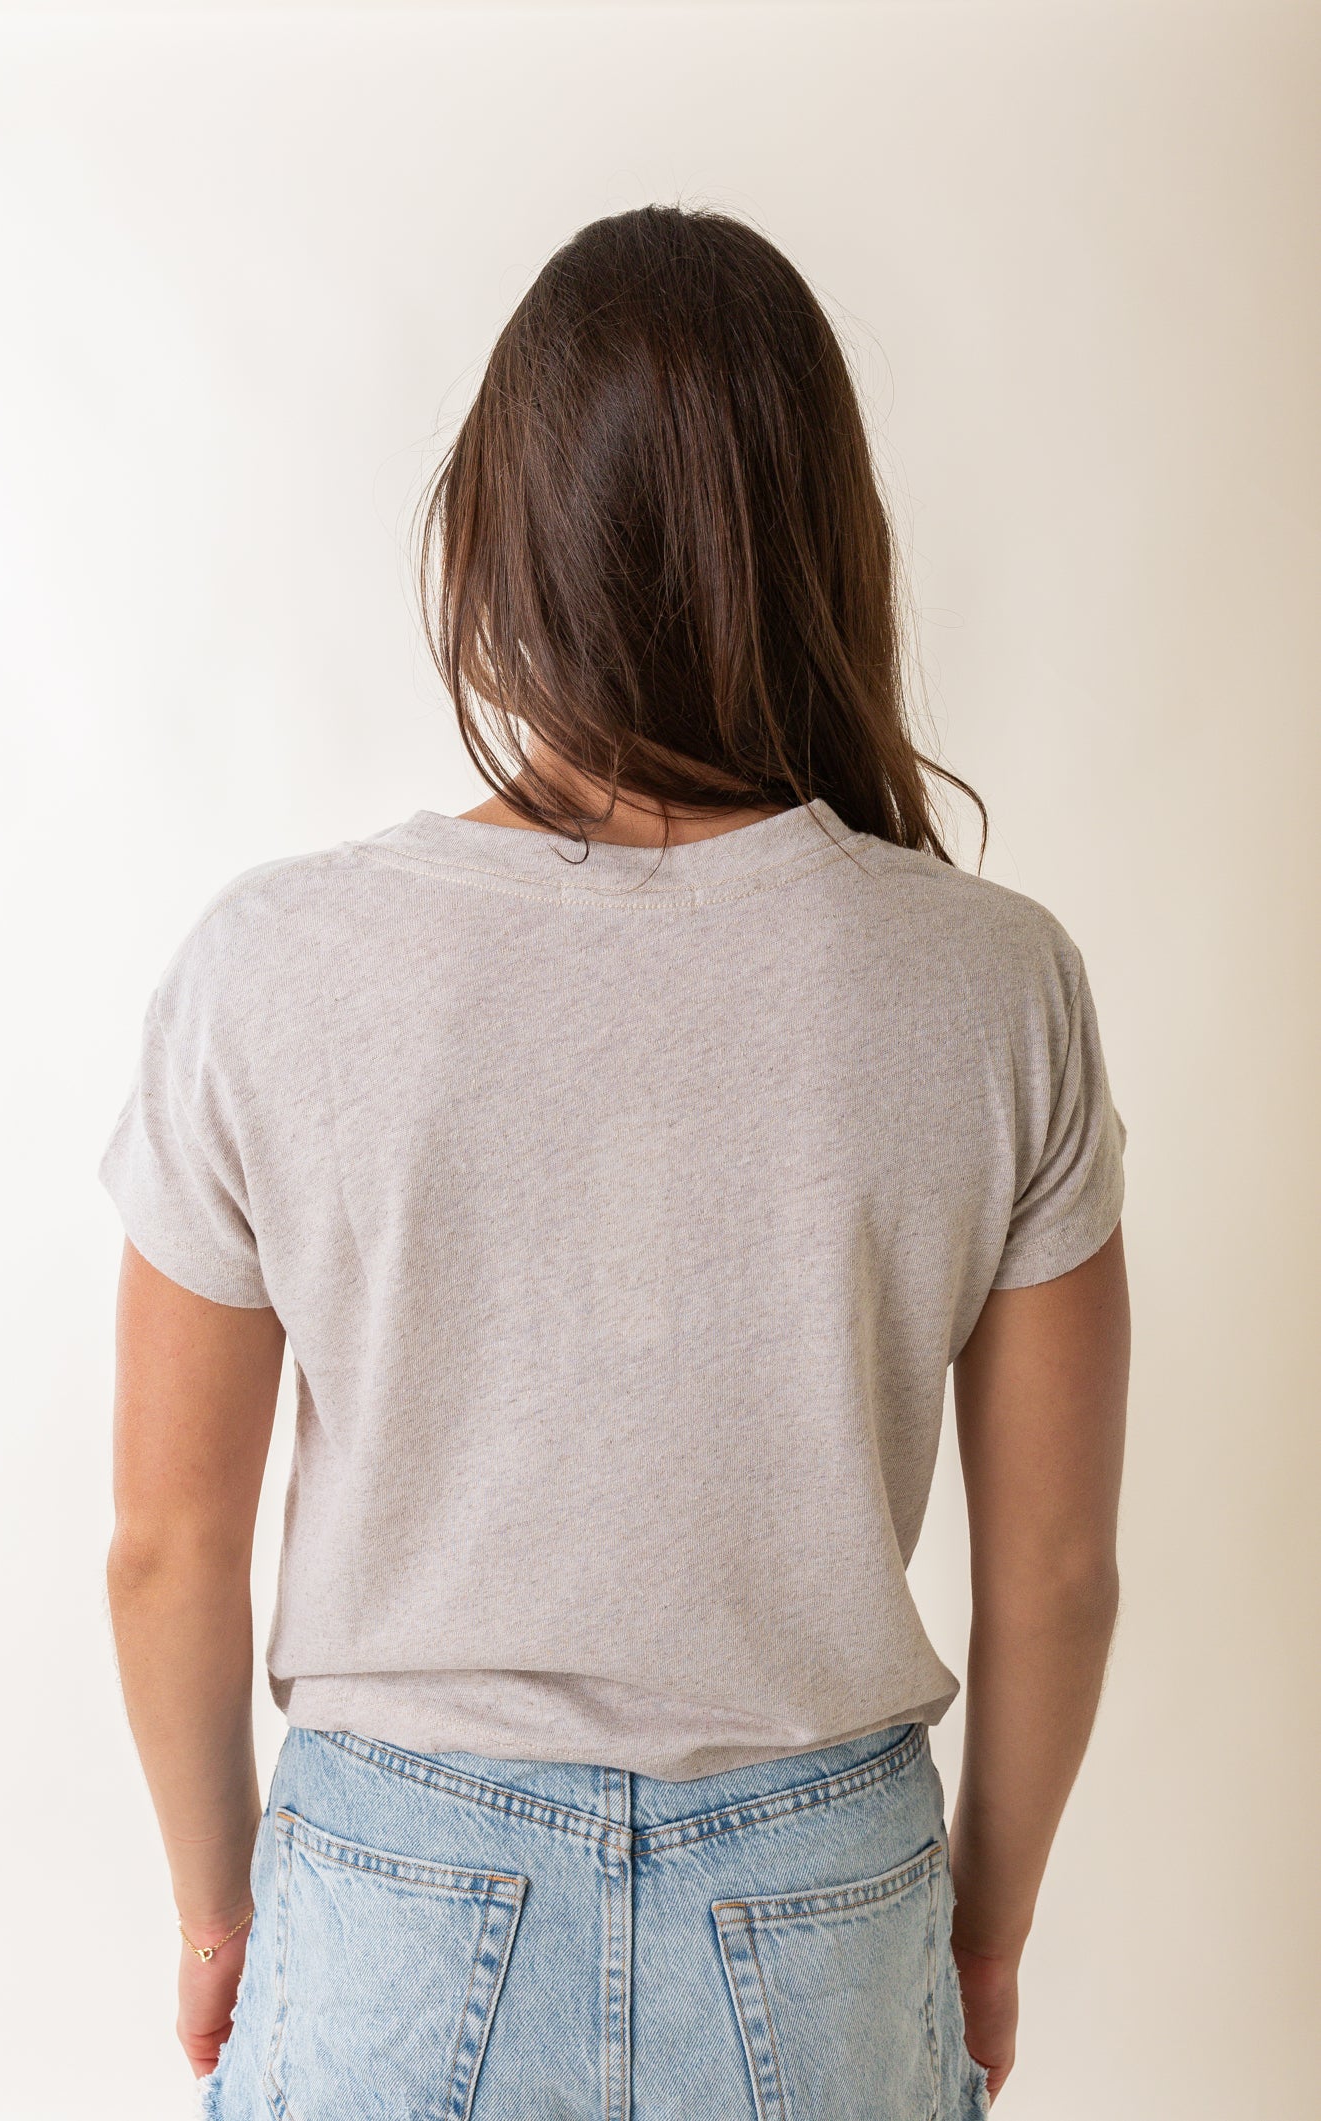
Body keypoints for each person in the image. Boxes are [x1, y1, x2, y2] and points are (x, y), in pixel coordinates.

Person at [100, 204, 1129, 2119]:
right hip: (823, 1913)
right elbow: (1056, 1568)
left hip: (391, 1899)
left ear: (492, 537)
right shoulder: (996, 984)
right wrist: (978, 1934)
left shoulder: (270, 965)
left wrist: (219, 1911)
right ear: (821, 543)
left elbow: (167, 1546)